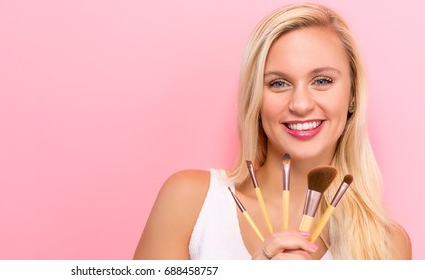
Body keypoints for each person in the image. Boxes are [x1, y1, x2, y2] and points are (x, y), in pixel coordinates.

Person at [133, 3, 412, 260]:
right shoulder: (191, 201)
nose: (301, 104)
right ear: (256, 97)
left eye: (322, 81)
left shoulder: (387, 244)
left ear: (352, 95)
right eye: (279, 83)